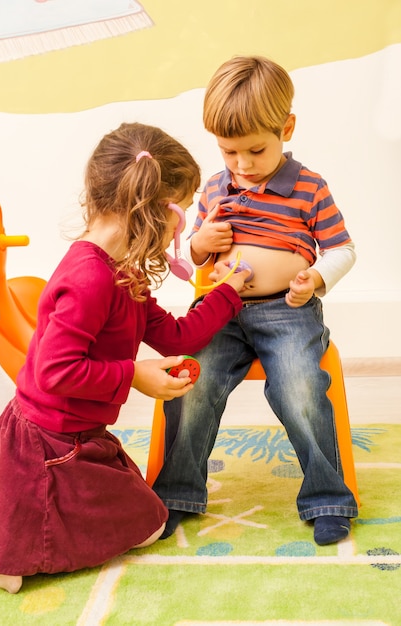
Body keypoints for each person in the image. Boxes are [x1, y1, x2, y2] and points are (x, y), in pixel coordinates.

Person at [0, 122, 251, 594]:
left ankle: (24, 519)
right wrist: (134, 376)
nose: (183, 226)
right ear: (158, 211)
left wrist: (227, 292)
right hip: (45, 443)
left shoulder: (123, 272)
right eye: (184, 212)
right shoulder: (91, 278)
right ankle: (16, 538)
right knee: (146, 525)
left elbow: (174, 336)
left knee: (149, 518)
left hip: (79, 434)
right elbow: (55, 371)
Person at [152, 56, 359, 545]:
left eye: (256, 150)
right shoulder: (214, 188)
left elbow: (343, 248)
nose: (242, 165)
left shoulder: (308, 187)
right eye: (229, 152)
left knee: (301, 386)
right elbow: (194, 259)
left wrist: (314, 277)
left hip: (285, 312)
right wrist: (202, 242)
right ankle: (175, 494)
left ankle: (327, 497)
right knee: (191, 384)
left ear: (286, 128)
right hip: (219, 311)